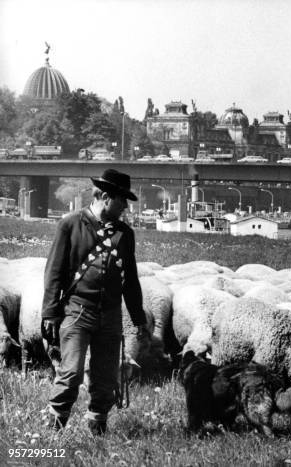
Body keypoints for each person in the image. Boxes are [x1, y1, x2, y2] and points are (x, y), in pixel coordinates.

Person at [41, 169, 148, 435]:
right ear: (105, 197)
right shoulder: (71, 224)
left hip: (111, 315)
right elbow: (54, 272)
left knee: (106, 379)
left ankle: (97, 435)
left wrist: (138, 319)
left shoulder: (125, 234)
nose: (125, 206)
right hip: (77, 311)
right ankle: (51, 435)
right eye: (122, 199)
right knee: (71, 374)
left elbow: (131, 281)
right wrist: (50, 313)